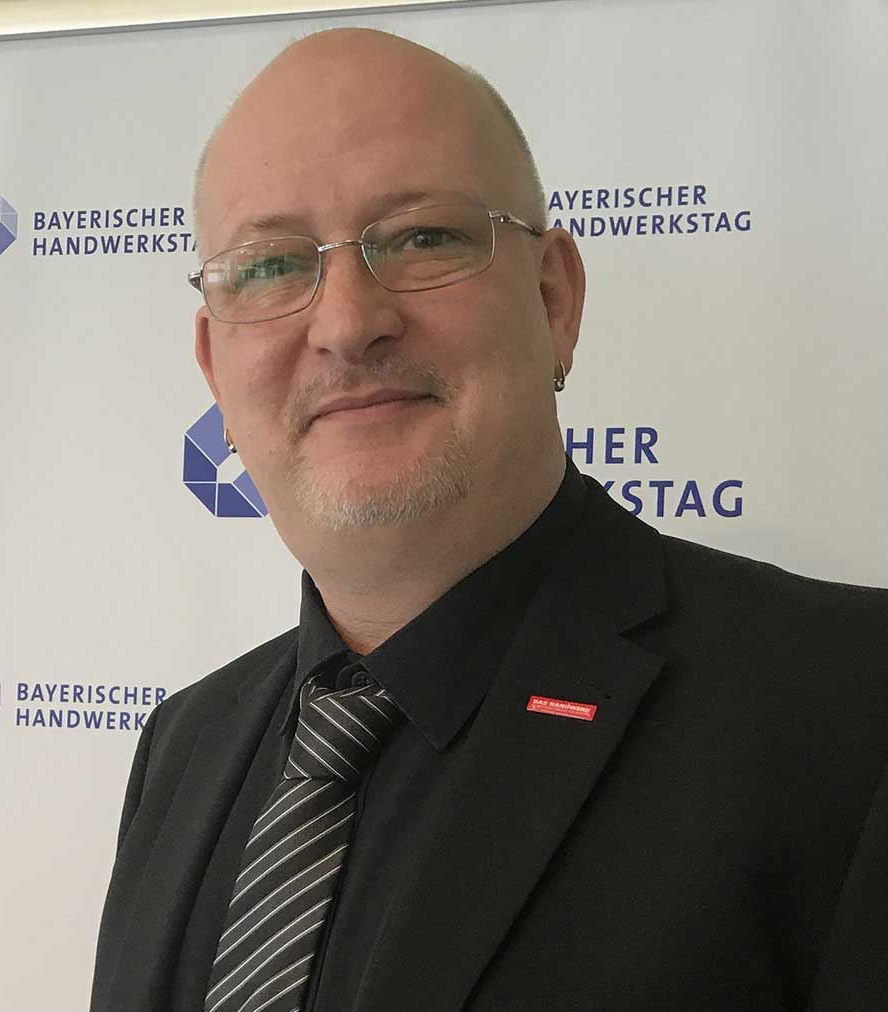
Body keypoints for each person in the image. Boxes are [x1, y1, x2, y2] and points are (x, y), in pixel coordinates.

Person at [88, 27, 888, 1012]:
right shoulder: (185, 746)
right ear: (216, 366)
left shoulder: (852, 712)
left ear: (553, 299)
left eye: (421, 237)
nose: (346, 324)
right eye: (268, 267)